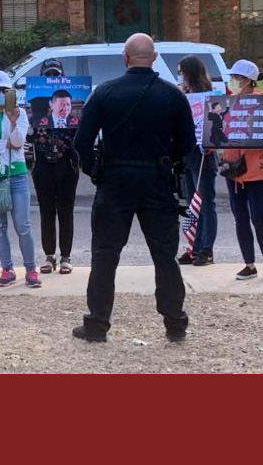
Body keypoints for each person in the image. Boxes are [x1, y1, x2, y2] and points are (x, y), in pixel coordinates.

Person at [73, 33, 195, 342]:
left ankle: (97, 324)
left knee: (105, 253)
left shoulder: (105, 93)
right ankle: (175, 323)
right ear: (153, 58)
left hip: (115, 179)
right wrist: (168, 163)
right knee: (165, 254)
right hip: (157, 178)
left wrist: (95, 172)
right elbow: (187, 144)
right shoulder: (172, 95)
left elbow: (82, 141)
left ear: (125, 58)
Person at [0, 70, 40, 288]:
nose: (1, 94)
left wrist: (13, 123)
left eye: (5, 90)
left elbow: (19, 141)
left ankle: (31, 269)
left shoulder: (19, 114)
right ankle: (7, 268)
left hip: (16, 173)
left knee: (23, 225)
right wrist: (5, 145)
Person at [29, 58, 79, 275]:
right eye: (48, 75)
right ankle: (49, 255)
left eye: (55, 75)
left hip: (66, 166)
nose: (52, 78)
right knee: (46, 211)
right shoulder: (36, 108)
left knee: (66, 211)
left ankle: (66, 256)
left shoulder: (71, 109)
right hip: (43, 166)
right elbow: (27, 134)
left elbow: (80, 137)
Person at [219, 59, 263, 281]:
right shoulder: (227, 103)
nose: (233, 81)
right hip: (233, 171)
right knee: (240, 218)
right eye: (232, 77)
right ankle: (249, 263)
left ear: (249, 81)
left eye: (237, 78)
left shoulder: (260, 103)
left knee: (259, 218)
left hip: (257, 171)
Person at [175, 55, 219, 267]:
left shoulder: (209, 97)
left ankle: (206, 249)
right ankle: (193, 246)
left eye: (182, 71)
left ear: (190, 73)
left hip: (204, 154)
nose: (180, 76)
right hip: (188, 153)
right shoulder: (184, 95)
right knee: (193, 204)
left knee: (206, 202)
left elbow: (219, 126)